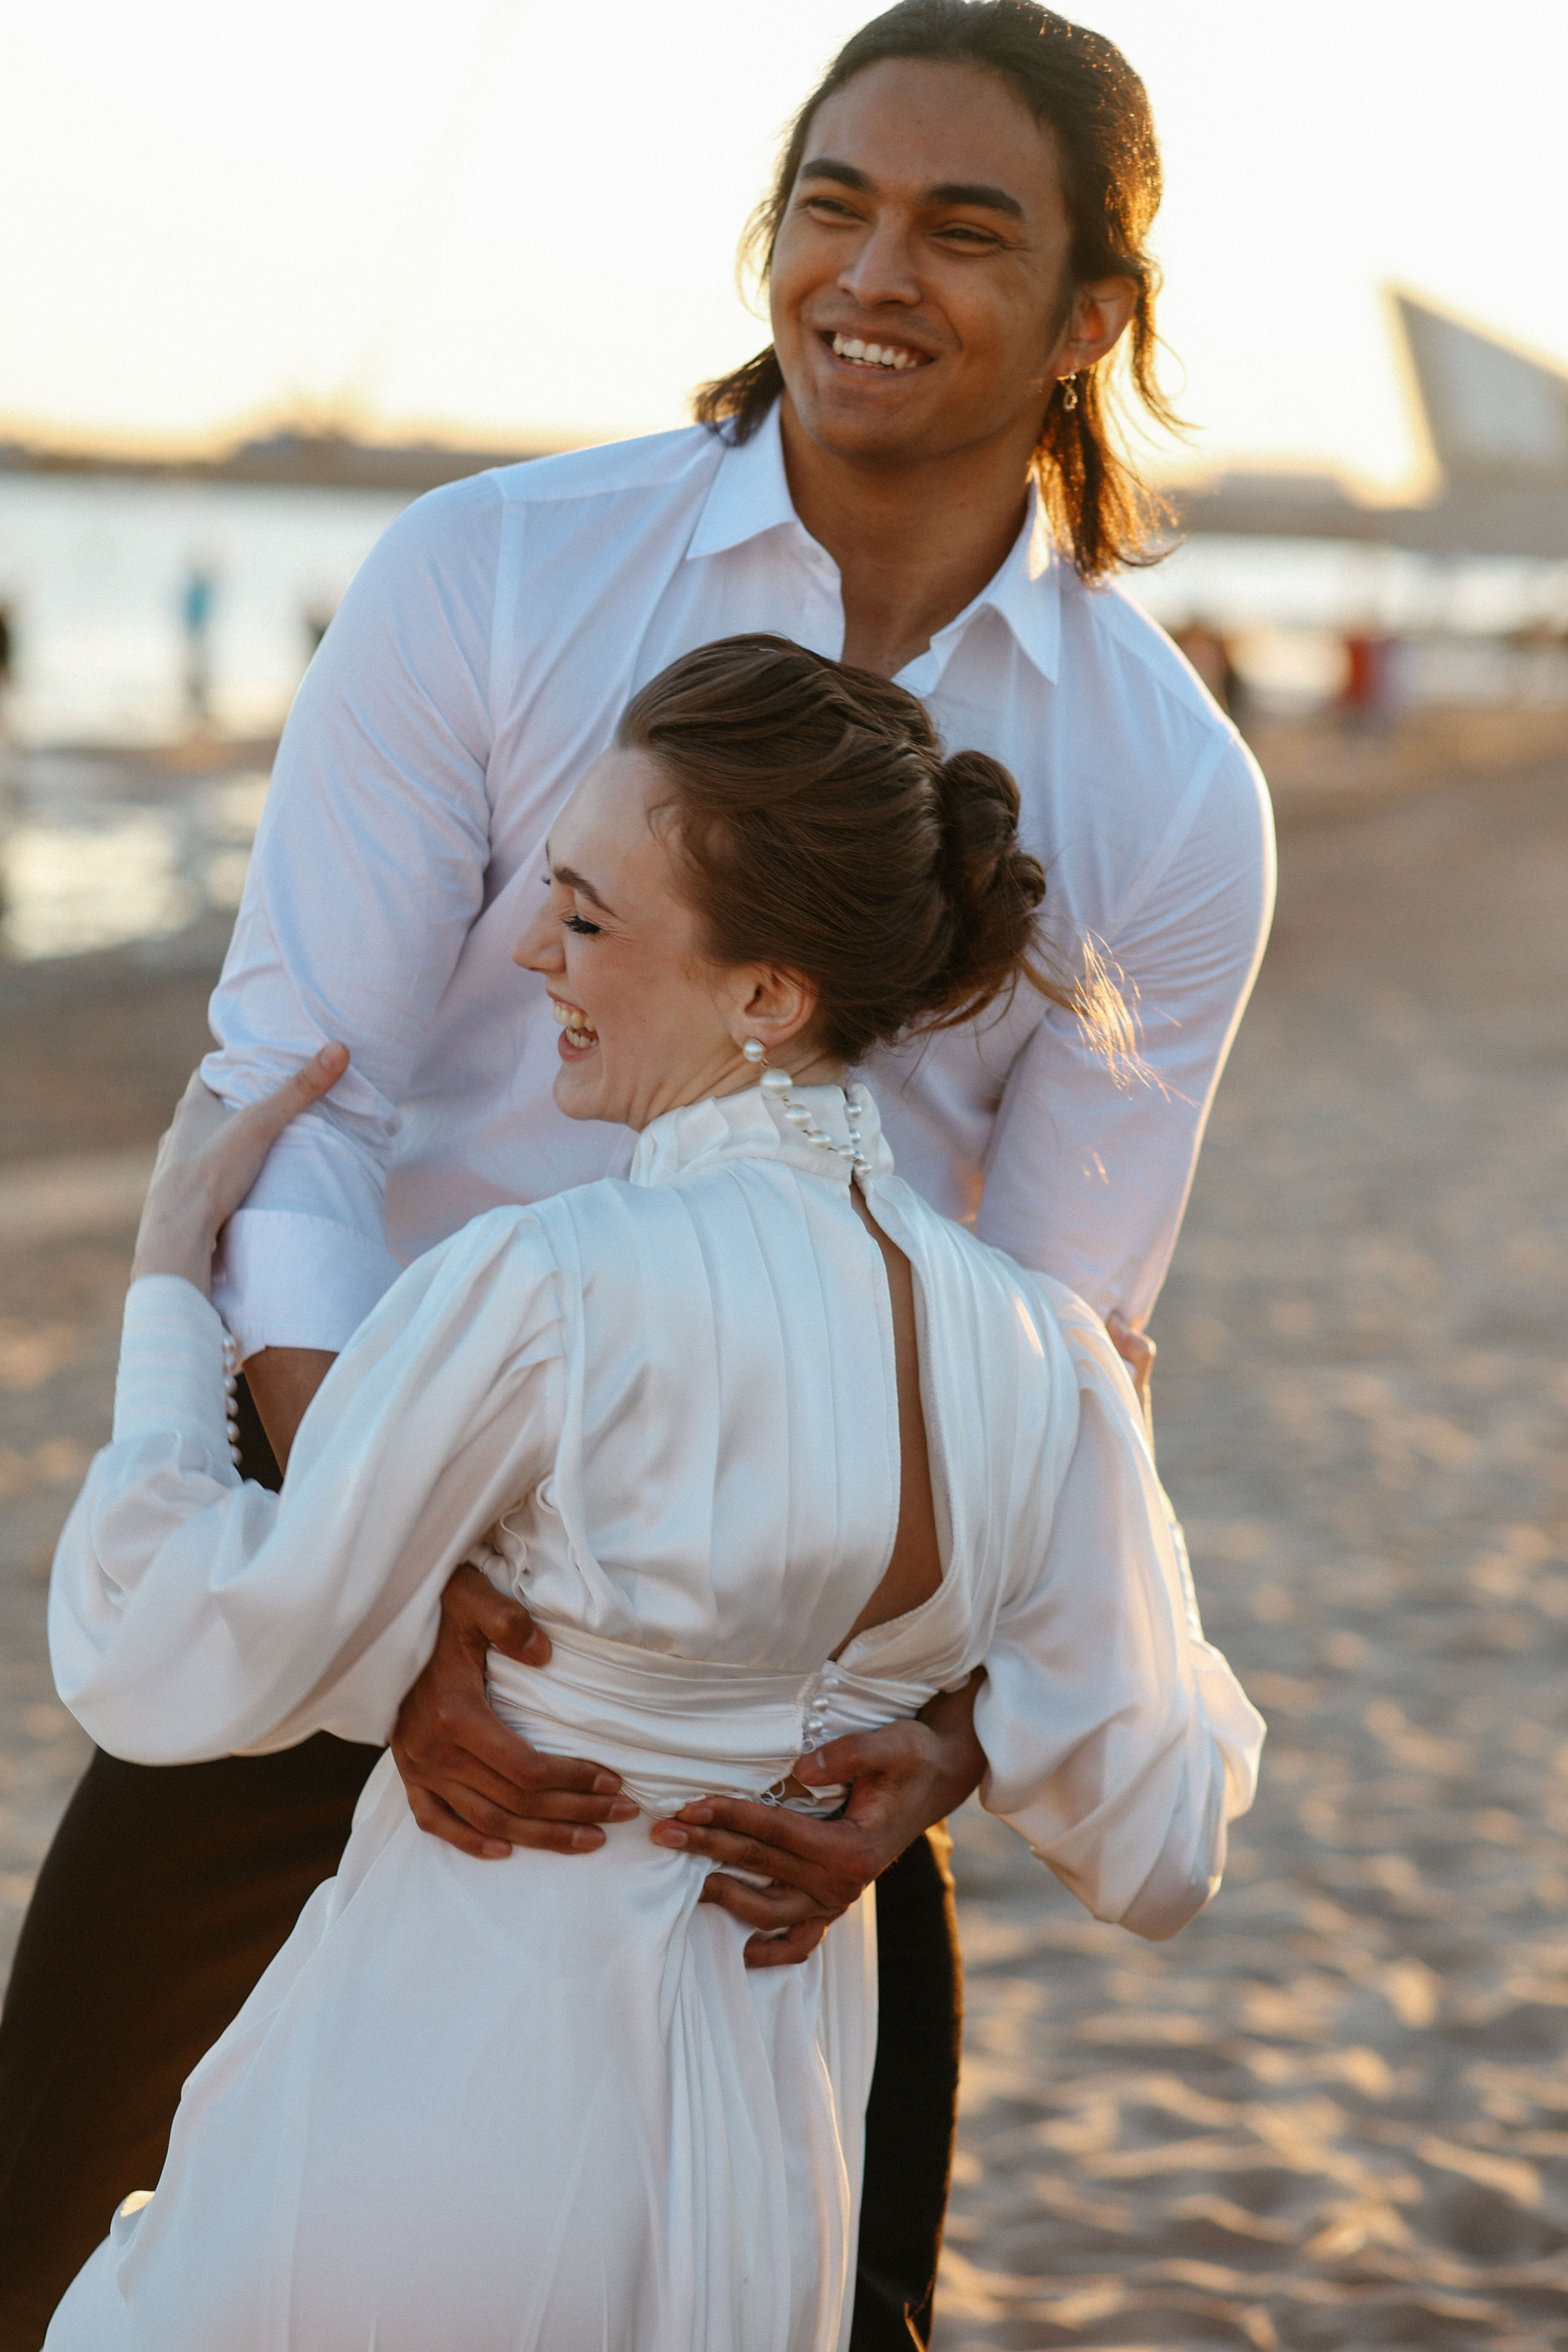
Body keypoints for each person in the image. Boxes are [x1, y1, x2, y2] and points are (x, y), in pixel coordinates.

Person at [0, 6, 1275, 2345]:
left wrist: (950, 1741)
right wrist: (385, 1615)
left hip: (779, 1713)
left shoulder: (1167, 790)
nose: (869, 273)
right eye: (830, 202)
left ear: (1096, 316)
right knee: (45, 2222)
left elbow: (1060, 1332)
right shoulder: (492, 574)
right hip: (361, 1505)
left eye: (962, 230)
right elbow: (302, 1103)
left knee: (815, 2306)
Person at [45, 639, 1262, 2351]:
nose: (535, 948)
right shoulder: (1040, 1354)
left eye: (590, 916)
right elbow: (1156, 1840)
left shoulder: (546, 1283)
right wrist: (1073, 1613)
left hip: (447, 2085)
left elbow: (182, 1642)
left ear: (767, 995)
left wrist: (175, 1286)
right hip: (766, 2156)